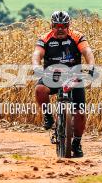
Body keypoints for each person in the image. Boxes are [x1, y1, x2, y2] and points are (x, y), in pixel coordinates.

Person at [32, 10, 95, 158]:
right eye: (57, 26)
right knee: (40, 89)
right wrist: (36, 67)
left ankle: (76, 143)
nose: (60, 29)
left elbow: (87, 52)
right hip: (52, 75)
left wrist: (91, 66)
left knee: (79, 113)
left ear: (69, 26)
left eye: (63, 26)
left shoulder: (77, 36)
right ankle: (48, 116)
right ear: (51, 25)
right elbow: (37, 54)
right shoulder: (44, 38)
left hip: (74, 76)